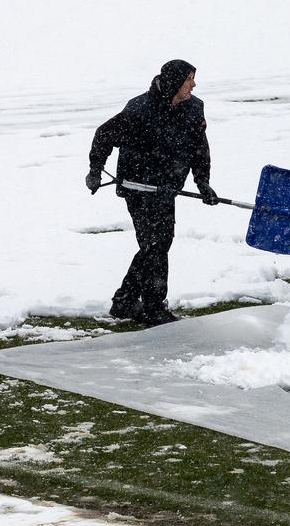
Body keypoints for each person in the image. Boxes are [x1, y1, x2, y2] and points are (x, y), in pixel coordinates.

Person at [86, 59, 218, 326]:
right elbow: (104, 135)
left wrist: (202, 181)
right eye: (189, 79)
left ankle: (125, 300)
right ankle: (153, 306)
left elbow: (199, 147)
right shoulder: (140, 109)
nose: (194, 84)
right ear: (174, 82)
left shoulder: (194, 108)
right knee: (157, 244)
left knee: (156, 244)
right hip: (138, 187)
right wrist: (95, 170)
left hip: (166, 188)